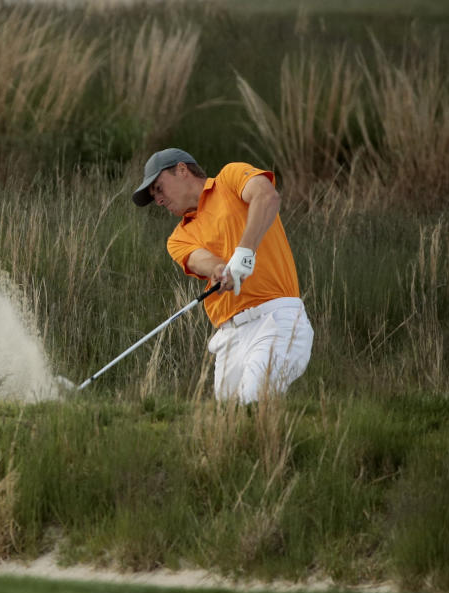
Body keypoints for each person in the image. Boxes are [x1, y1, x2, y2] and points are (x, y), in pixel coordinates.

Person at [131, 148, 313, 403]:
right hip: (230, 337)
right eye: (154, 197)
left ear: (182, 170)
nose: (158, 200)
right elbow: (202, 261)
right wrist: (221, 270)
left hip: (276, 318)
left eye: (159, 188)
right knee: (229, 423)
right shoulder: (178, 238)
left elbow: (267, 197)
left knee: (252, 402)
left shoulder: (230, 178)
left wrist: (246, 251)